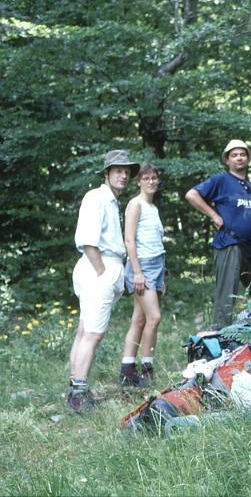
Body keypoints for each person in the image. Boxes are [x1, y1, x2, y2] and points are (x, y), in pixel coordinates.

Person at [67, 149, 140, 413]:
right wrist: (102, 271)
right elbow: (88, 240)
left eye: (127, 171)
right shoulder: (96, 197)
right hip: (98, 268)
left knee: (85, 330)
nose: (123, 175)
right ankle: (78, 395)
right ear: (106, 173)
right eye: (118, 170)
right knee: (93, 333)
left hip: (103, 268)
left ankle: (75, 388)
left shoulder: (111, 201)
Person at [185, 139, 251, 330]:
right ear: (227, 160)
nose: (239, 158)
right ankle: (220, 338)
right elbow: (191, 195)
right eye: (234, 155)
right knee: (226, 298)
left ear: (248, 158)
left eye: (242, 154)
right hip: (229, 244)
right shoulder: (221, 180)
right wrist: (213, 215)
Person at [118, 163, 166, 388]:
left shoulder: (153, 208)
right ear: (138, 182)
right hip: (142, 267)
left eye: (154, 177)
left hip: (156, 266)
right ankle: (147, 370)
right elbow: (129, 240)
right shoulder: (135, 204)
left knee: (139, 319)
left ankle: (127, 371)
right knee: (154, 318)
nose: (151, 181)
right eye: (146, 178)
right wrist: (137, 273)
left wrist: (162, 277)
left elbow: (156, 243)